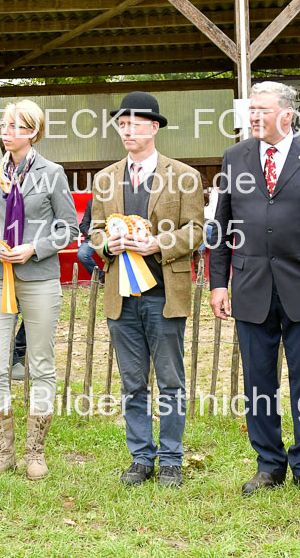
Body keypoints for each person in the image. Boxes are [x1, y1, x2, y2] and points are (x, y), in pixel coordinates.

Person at [209, 81, 300, 500]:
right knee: (258, 382)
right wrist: (219, 282)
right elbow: (221, 226)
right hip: (251, 286)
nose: (253, 117)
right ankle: (269, 464)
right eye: (250, 110)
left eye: (262, 110)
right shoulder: (234, 157)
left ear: (286, 115)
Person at [89, 92, 204, 488]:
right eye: (121, 125)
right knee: (132, 382)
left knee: (170, 380)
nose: (127, 131)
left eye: (135, 124)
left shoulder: (185, 175)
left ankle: (171, 458)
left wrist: (159, 244)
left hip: (165, 294)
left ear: (154, 128)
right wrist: (107, 245)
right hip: (121, 295)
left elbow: (196, 231)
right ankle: (141, 457)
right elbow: (94, 230)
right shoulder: (105, 178)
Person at [0, 99, 78, 482]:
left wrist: (34, 247)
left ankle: (35, 451)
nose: (7, 132)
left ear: (33, 132)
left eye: (16, 127)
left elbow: (68, 228)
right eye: (4, 125)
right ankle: (3, 453)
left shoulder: (53, 173)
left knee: (40, 364)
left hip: (38, 276)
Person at [76, 197, 101, 281]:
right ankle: (100, 277)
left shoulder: (116, 201)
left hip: (112, 236)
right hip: (93, 237)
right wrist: (91, 235)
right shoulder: (91, 202)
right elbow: (83, 225)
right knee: (82, 254)